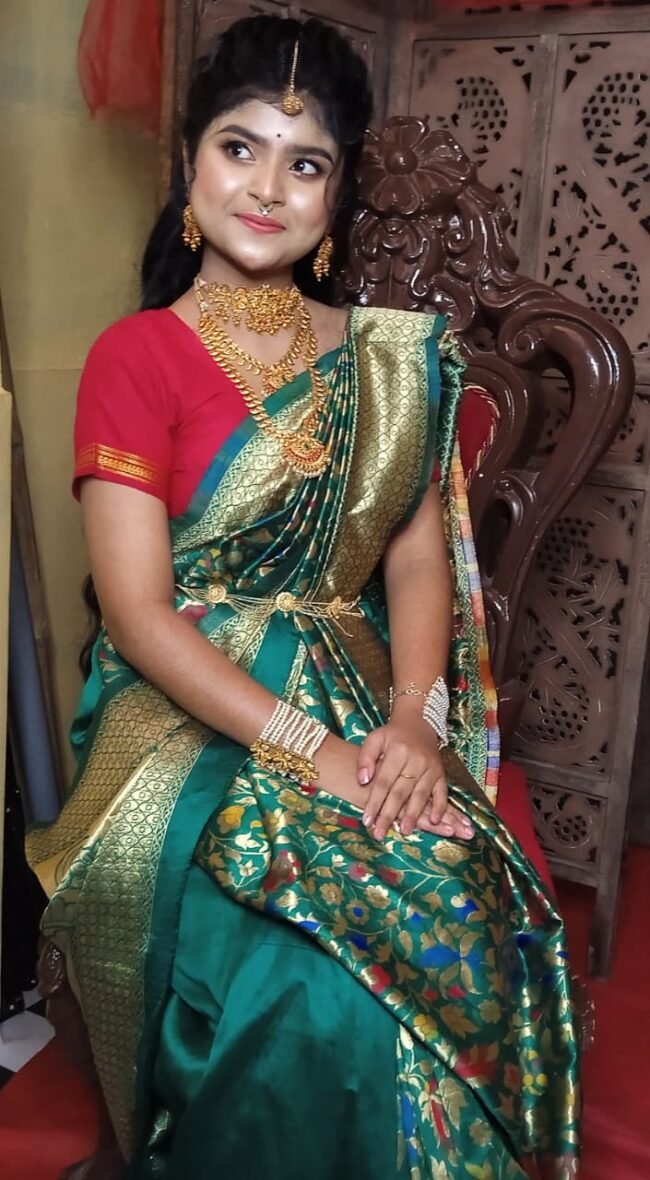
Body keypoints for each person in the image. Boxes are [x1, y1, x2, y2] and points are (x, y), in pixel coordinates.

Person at [27, 15, 580, 1179]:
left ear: (337, 198)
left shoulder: (389, 358)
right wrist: (308, 750)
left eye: (305, 162)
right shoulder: (137, 356)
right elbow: (137, 614)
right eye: (239, 147)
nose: (267, 187)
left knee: (458, 898)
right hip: (187, 711)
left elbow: (414, 560)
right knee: (314, 982)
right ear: (188, 163)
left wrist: (413, 721)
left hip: (366, 683)